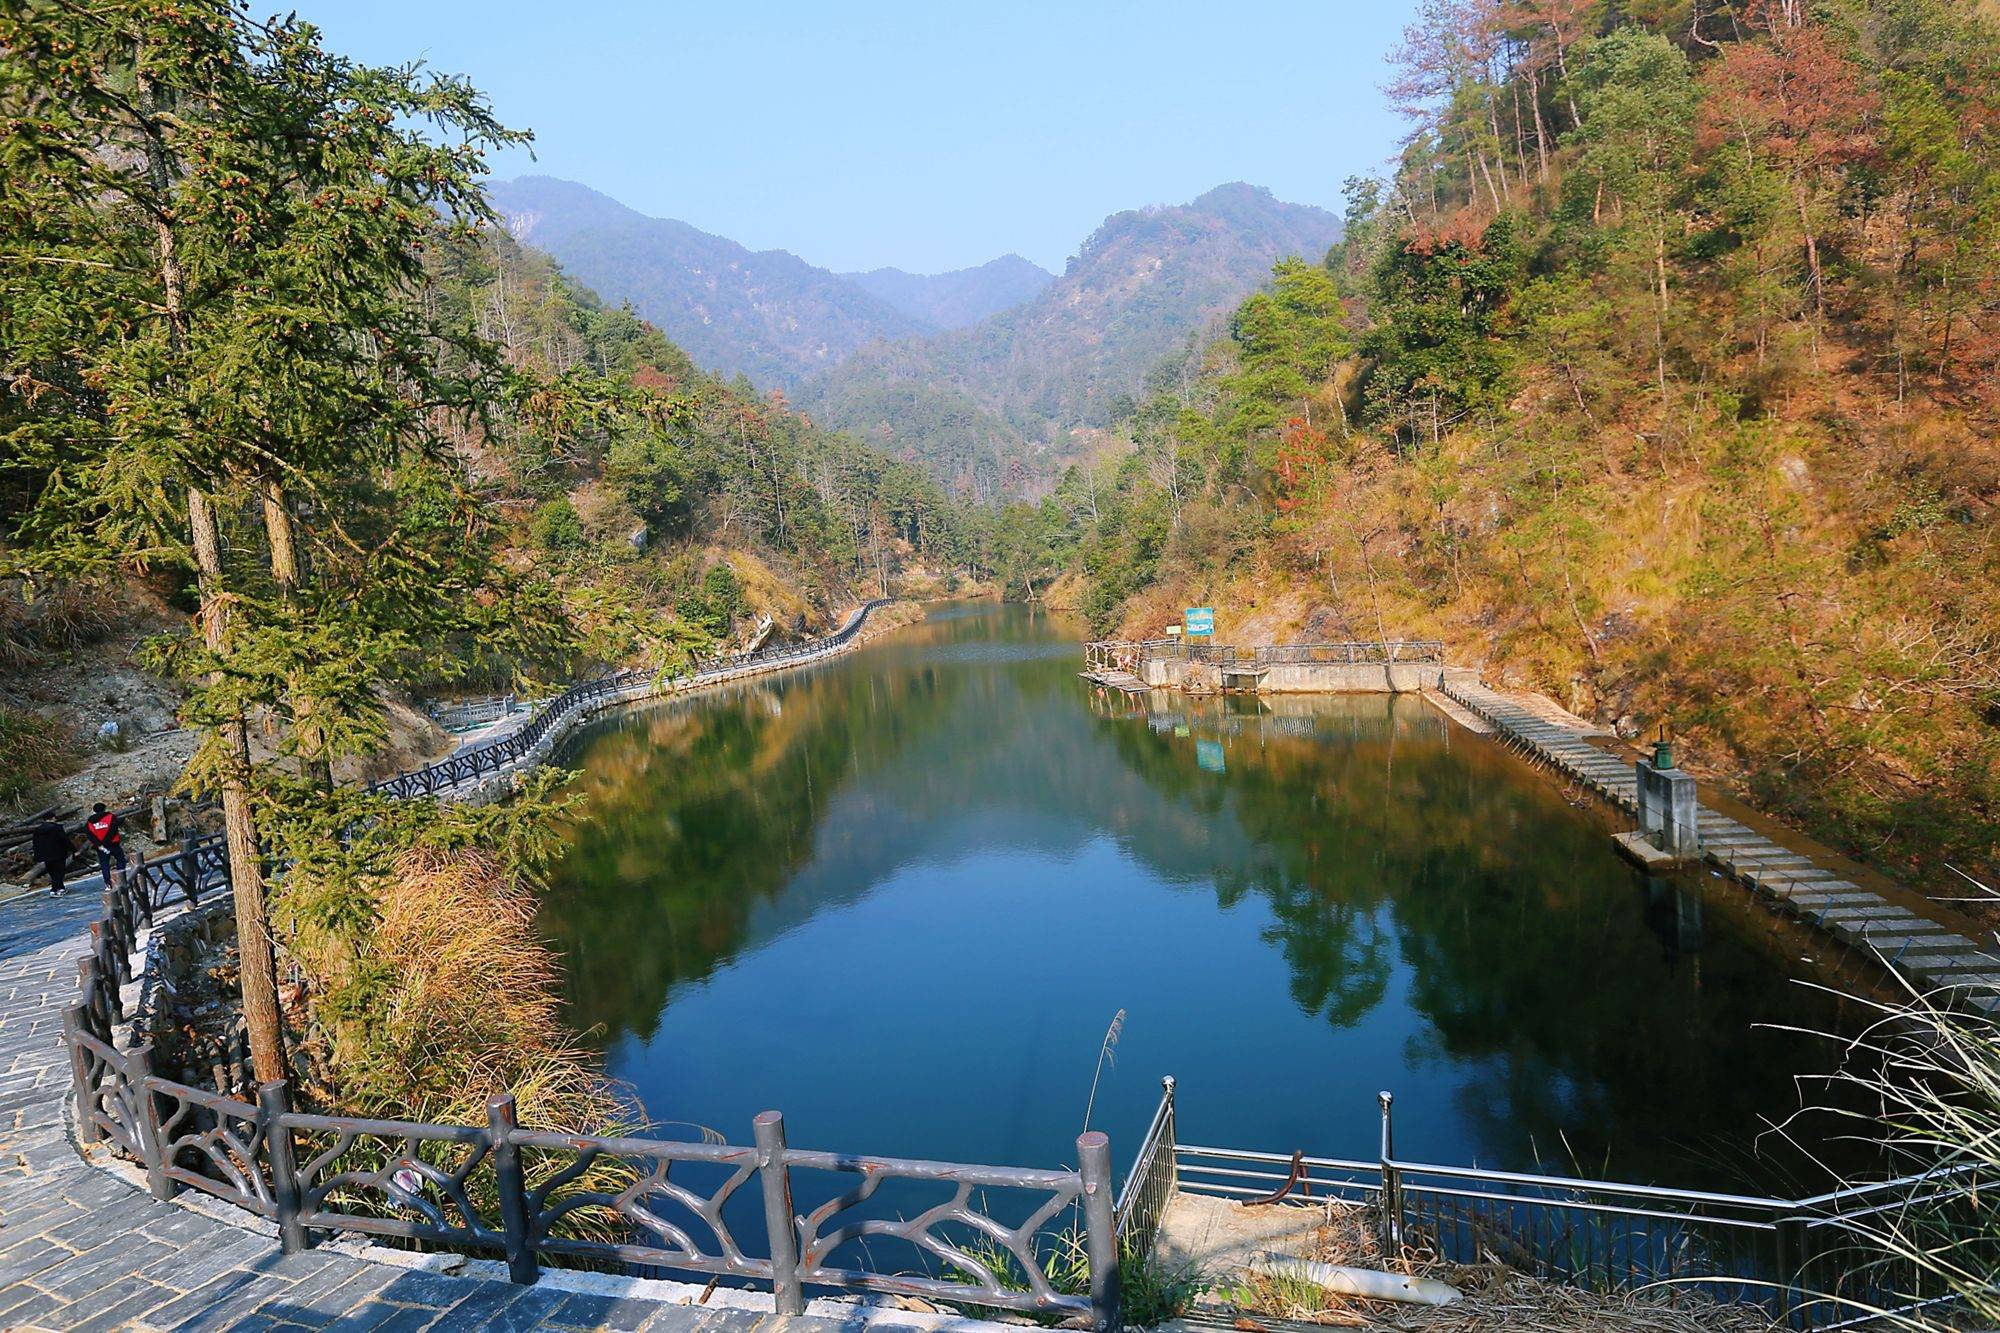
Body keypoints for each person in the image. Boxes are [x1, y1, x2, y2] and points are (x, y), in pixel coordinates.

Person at [83, 802, 127, 888]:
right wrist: (106, 841)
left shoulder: (90, 822)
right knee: (121, 860)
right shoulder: (110, 817)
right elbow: (113, 830)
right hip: (113, 844)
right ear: (104, 808)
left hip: (100, 847)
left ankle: (108, 883)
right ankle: (121, 878)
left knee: (104, 865)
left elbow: (90, 835)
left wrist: (99, 844)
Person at [31, 816, 74, 898]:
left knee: (52, 872)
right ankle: (54, 889)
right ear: (53, 818)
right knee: (59, 872)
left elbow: (35, 843)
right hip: (58, 853)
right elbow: (64, 840)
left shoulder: (38, 830)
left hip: (45, 854)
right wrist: (73, 849)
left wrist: (38, 855)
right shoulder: (56, 828)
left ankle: (61, 888)